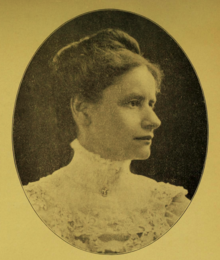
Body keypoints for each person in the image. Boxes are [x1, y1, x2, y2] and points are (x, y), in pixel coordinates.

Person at [24, 29, 190, 254]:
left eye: (151, 104)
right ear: (83, 110)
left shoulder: (169, 207)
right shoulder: (33, 205)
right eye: (133, 102)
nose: (155, 120)